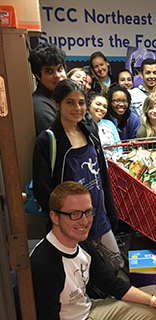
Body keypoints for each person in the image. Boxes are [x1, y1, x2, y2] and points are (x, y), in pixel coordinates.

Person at [30, 181, 156, 320]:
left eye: (88, 212)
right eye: (74, 214)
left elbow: (110, 283)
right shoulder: (44, 264)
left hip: (88, 309)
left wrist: (155, 302)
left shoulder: (82, 245)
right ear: (55, 217)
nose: (84, 221)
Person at [33, 79, 123, 273]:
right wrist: (63, 220)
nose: (77, 107)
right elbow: (43, 189)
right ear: (56, 104)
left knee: (113, 267)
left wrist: (112, 214)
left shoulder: (91, 133)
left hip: (98, 217)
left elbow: (102, 177)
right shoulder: (48, 141)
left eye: (81, 102)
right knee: (79, 275)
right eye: (70, 102)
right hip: (71, 224)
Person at [28, 42, 67, 136]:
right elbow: (61, 140)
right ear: (38, 76)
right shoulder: (40, 105)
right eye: (49, 71)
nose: (57, 76)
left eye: (60, 69)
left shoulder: (62, 97)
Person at [87, 92, 123, 160]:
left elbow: (119, 146)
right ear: (89, 105)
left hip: (112, 164)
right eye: (98, 104)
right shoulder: (84, 125)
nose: (101, 108)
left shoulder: (109, 124)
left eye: (105, 107)